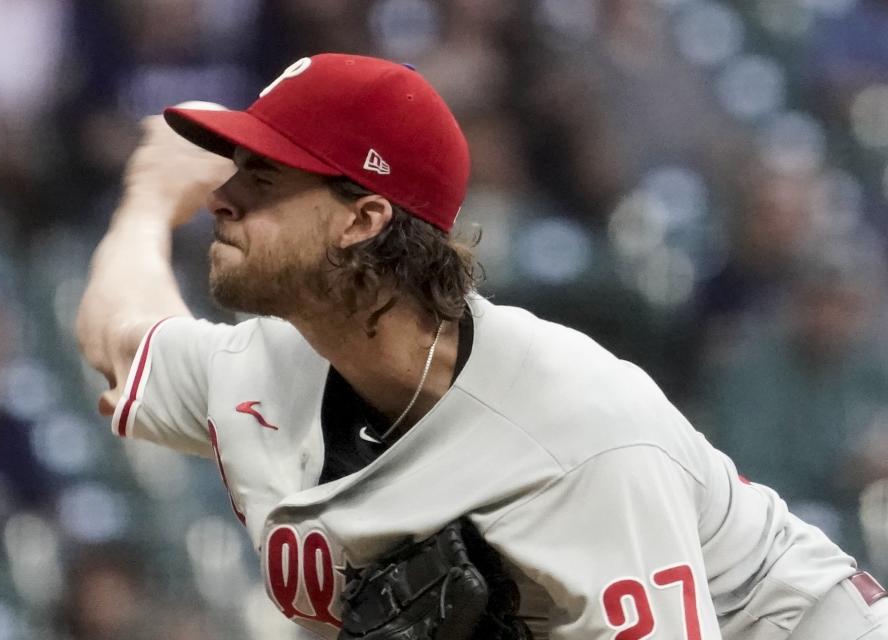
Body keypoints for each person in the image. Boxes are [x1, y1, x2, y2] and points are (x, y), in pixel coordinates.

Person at [76, 53, 888, 639]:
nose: (221, 197)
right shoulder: (259, 365)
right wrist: (148, 202)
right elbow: (119, 341)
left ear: (363, 220)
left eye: (266, 179)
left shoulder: (577, 429)